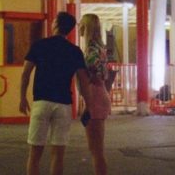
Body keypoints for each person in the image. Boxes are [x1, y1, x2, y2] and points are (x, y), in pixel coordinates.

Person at [19, 12, 90, 175]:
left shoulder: (39, 45)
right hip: (63, 104)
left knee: (35, 154)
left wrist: (22, 98)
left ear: (56, 24)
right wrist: (87, 104)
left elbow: (25, 74)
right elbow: (83, 81)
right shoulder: (75, 51)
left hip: (41, 102)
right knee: (58, 155)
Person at [79, 14, 115, 175]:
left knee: (96, 150)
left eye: (82, 24)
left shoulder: (91, 50)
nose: (79, 27)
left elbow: (91, 74)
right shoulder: (100, 48)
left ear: (87, 28)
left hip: (94, 96)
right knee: (95, 148)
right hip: (100, 93)